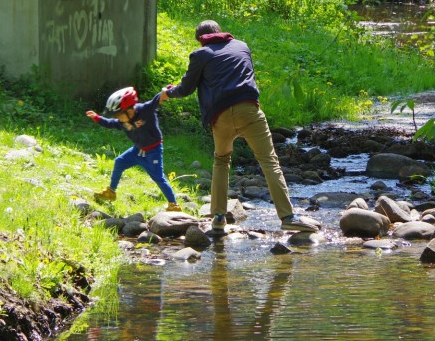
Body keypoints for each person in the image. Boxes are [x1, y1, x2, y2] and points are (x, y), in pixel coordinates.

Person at [160, 20, 321, 233]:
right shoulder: (242, 46)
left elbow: (187, 88)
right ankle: (288, 216)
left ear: (200, 39)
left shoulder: (200, 55)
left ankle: (218, 218)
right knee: (269, 162)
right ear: (220, 32)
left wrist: (168, 92)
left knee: (221, 160)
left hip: (221, 116)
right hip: (249, 111)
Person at [86, 87, 182, 212]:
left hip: (153, 152)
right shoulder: (122, 122)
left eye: (119, 114)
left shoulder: (145, 110)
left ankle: (173, 205)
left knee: (158, 178)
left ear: (129, 110)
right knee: (119, 161)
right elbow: (110, 123)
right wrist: (97, 118)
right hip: (137, 150)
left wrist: (167, 91)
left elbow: (157, 99)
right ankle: (111, 192)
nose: (118, 118)